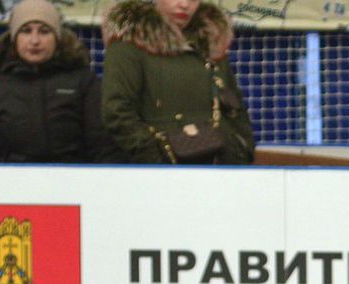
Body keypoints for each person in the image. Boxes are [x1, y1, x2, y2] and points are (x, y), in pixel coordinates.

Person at [101, 0, 254, 164]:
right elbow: (117, 112)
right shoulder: (128, 46)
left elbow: (234, 106)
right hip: (162, 172)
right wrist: (155, 158)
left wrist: (242, 148)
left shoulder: (211, 43)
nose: (184, 5)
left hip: (223, 166)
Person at [0, 0, 120, 163]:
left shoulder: (84, 82)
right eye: (26, 31)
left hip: (73, 180)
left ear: (57, 37)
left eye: (44, 31)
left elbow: (103, 146)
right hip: (12, 181)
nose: (35, 40)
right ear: (14, 38)